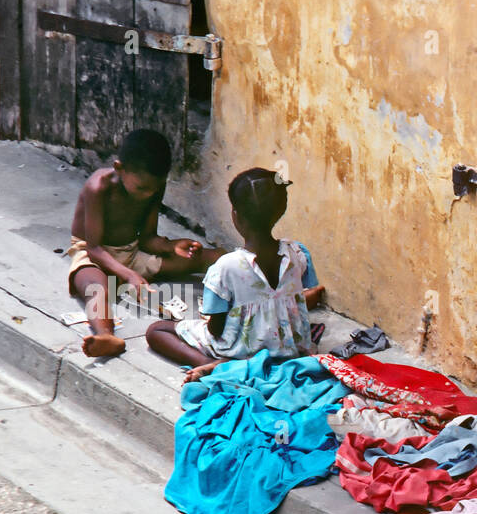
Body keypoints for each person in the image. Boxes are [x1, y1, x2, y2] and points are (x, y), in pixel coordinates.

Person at [147, 167, 325, 382]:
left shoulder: (225, 268)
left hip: (241, 352)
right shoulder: (298, 253)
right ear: (281, 210)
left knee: (157, 330)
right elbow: (289, 296)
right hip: (289, 348)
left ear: (235, 215)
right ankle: (247, 365)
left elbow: (215, 329)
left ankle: (217, 367)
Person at [67, 129, 222, 358]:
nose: (146, 194)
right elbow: (94, 248)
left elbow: (148, 238)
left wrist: (172, 246)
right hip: (94, 257)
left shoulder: (153, 186)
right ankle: (106, 335)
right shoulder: (98, 187)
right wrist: (129, 275)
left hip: (133, 252)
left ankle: (247, 270)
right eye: (141, 188)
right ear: (119, 168)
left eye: (153, 188)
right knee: (94, 288)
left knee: (209, 258)